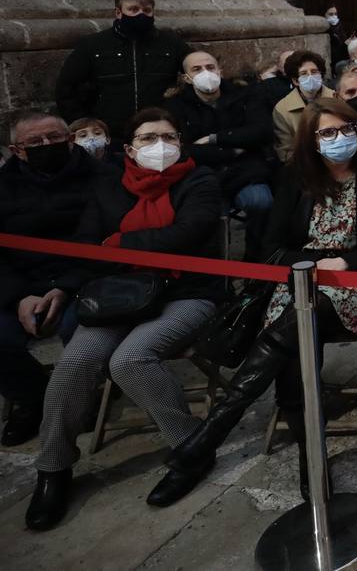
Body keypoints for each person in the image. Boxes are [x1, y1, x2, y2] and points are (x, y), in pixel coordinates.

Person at [148, 99, 357, 504]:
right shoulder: (295, 178)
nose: (340, 139)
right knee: (293, 332)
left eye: (347, 129)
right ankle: (309, 454)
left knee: (299, 321)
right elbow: (270, 247)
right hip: (298, 281)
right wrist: (310, 265)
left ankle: (211, 432)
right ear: (311, 141)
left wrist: (348, 260)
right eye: (327, 133)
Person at [25, 109, 225, 531]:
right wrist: (64, 286)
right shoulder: (108, 188)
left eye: (169, 137)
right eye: (149, 137)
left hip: (185, 292)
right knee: (74, 363)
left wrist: (116, 243)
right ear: (130, 148)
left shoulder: (199, 181)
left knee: (130, 359)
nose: (160, 145)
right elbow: (86, 245)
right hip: (115, 296)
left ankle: (191, 447)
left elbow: (189, 233)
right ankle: (53, 468)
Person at [0, 113, 116, 446]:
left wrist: (65, 286)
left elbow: (108, 239)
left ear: (68, 140)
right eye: (34, 142)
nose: (46, 146)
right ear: (17, 150)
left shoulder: (103, 176)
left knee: (78, 329)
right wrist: (17, 296)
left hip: (82, 278)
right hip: (22, 283)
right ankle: (33, 397)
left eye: (53, 138)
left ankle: (82, 395)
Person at [165, 51, 275, 260]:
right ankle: (218, 271)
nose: (206, 73)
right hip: (202, 175)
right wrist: (233, 149)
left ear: (220, 70)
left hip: (246, 172)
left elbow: (261, 131)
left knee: (262, 203)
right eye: (196, 69)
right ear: (186, 77)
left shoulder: (245, 95)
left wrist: (214, 139)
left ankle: (257, 262)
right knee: (207, 217)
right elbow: (184, 148)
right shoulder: (176, 106)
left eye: (210, 67)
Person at [55, 0, 191, 136]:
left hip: (158, 128)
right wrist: (83, 123)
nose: (141, 14)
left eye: (146, 10)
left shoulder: (171, 43)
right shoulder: (93, 45)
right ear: (118, 12)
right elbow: (66, 88)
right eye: (133, 9)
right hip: (110, 131)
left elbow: (197, 69)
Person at [273, 51, 334, 162]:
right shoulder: (282, 109)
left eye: (314, 72)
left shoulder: (336, 98)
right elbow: (286, 151)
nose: (311, 76)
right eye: (304, 73)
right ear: (296, 80)